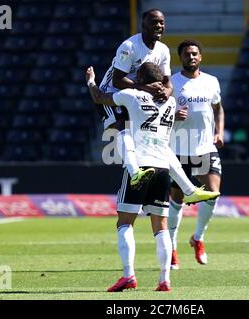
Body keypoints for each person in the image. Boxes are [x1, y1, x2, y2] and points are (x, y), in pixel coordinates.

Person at [86, 62, 220, 292]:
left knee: (125, 223)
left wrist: (90, 80)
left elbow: (99, 98)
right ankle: (164, 280)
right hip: (162, 169)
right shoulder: (170, 102)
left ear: (139, 77)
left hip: (141, 165)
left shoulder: (133, 95)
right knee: (160, 227)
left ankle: (128, 275)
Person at [96, 9, 203, 201]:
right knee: (122, 127)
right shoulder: (129, 46)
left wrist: (166, 92)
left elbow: (168, 83)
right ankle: (134, 171)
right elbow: (118, 80)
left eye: (161, 22)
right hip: (111, 94)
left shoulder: (162, 50)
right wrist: (145, 89)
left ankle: (188, 189)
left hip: (139, 94)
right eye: (154, 22)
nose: (159, 26)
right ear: (143, 26)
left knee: (159, 138)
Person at [168, 40, 225, 269]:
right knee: (177, 201)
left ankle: (198, 238)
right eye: (186, 54)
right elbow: (158, 114)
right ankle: (171, 248)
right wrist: (173, 115)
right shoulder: (171, 82)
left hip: (204, 149)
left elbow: (218, 108)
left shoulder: (212, 82)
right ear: (180, 57)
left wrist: (219, 132)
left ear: (200, 57)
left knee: (213, 194)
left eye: (194, 54)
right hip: (178, 150)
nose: (191, 57)